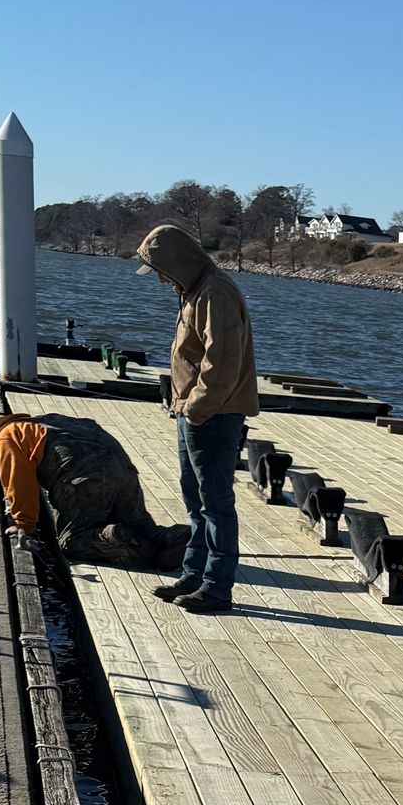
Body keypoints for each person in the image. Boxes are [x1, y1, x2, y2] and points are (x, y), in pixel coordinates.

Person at [135, 223, 258, 615]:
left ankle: (217, 587)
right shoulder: (194, 291)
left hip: (213, 415)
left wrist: (195, 411)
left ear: (177, 264)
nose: (157, 278)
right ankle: (194, 574)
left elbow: (221, 363)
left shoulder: (214, 294)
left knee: (216, 503)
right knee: (195, 500)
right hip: (193, 412)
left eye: (160, 269)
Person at [0, 415, 187, 568]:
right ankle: (173, 536)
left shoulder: (3, 440)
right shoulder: (43, 422)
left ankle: (115, 537)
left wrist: (24, 525)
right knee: (141, 524)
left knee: (72, 542)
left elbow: (19, 484)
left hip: (84, 476)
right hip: (122, 467)